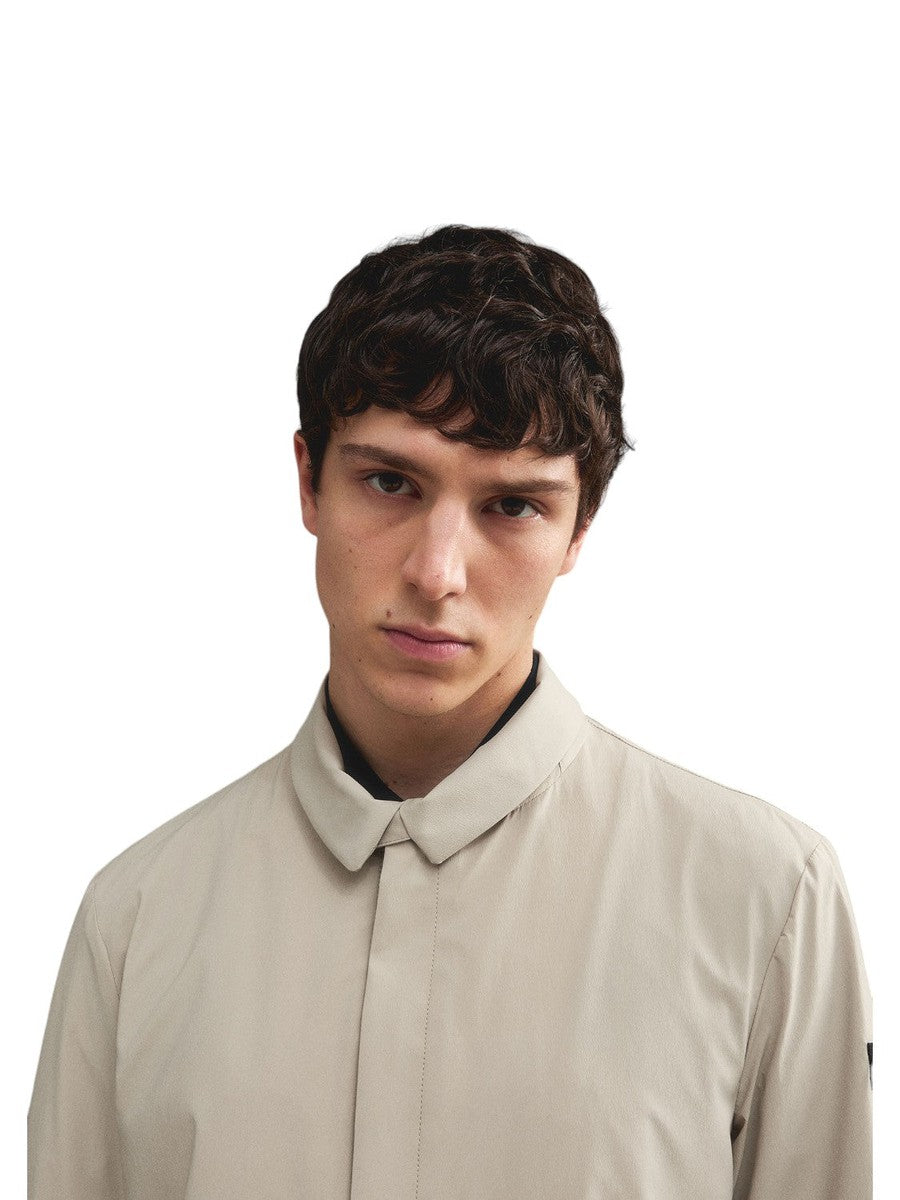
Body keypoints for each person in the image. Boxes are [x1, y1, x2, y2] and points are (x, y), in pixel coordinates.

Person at [27, 225, 873, 1199]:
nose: (437, 574)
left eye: (512, 507)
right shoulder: (135, 922)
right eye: (390, 483)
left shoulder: (769, 901)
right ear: (307, 480)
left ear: (579, 531)